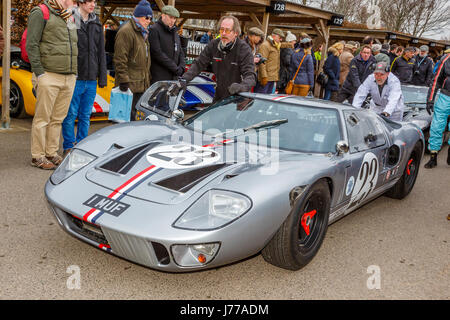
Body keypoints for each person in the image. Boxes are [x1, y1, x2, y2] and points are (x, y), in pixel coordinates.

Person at [26, 0, 78, 170]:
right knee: (43, 118)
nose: (77, 3)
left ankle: (51, 152)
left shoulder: (69, 16)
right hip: (49, 74)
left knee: (57, 118)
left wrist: (74, 72)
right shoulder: (40, 12)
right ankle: (37, 155)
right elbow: (31, 44)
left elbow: (73, 45)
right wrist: (39, 72)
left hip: (68, 76)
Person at [61, 0, 107, 156]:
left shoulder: (96, 22)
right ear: (80, 3)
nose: (92, 4)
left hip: (91, 77)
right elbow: (68, 46)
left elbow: (101, 51)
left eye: (94, 2)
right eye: (89, 1)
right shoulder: (72, 19)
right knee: (70, 114)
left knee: (85, 114)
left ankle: (81, 146)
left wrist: (102, 76)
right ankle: (68, 145)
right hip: (76, 76)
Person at [181, 15, 256, 102]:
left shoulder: (243, 49)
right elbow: (198, 64)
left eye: (227, 30)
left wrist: (242, 86)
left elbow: (251, 75)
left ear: (236, 33)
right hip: (219, 93)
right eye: (221, 29)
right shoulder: (214, 45)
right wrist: (184, 79)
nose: (223, 33)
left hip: (237, 96)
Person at [114, 0, 152, 121]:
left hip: (140, 83)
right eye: (147, 17)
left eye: (151, 18)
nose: (149, 21)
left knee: (133, 118)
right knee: (124, 119)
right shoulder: (126, 31)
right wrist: (124, 80)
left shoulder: (143, 33)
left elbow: (145, 58)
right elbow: (120, 58)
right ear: (139, 16)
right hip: (129, 84)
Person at [423, 52, 450, 169]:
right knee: (437, 126)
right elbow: (436, 80)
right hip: (445, 97)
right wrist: (430, 99)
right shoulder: (446, 59)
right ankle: (433, 157)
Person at [149, 5, 185, 84]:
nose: (173, 21)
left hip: (174, 77)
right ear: (163, 15)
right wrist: (175, 68)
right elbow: (157, 53)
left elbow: (180, 50)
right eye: (170, 17)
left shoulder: (174, 31)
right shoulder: (154, 29)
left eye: (175, 18)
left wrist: (182, 66)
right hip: (159, 78)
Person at [255, 29, 284, 94]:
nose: (281, 40)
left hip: (272, 77)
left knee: (267, 99)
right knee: (261, 98)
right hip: (266, 78)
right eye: (280, 38)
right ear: (274, 36)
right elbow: (262, 62)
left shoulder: (276, 46)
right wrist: (264, 76)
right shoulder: (265, 45)